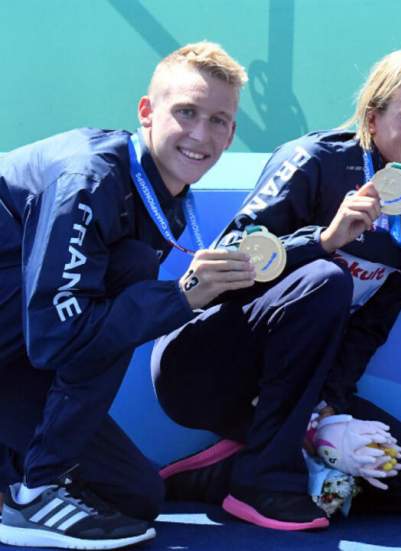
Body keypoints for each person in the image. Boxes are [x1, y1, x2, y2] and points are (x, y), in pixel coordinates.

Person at [150, 47, 401, 531]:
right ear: (373, 120)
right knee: (326, 280)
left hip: (300, 392)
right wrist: (323, 241)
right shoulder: (316, 161)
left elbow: (370, 329)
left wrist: (329, 409)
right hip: (203, 370)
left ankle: (225, 472)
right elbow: (226, 264)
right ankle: (263, 481)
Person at [0, 42, 248, 549]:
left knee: (134, 496)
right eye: (186, 112)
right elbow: (57, 339)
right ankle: (35, 493)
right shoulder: (89, 180)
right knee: (131, 271)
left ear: (232, 132)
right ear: (147, 113)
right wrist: (179, 298)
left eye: (218, 120)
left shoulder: (164, 191)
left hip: (15, 352)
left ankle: (16, 482)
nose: (201, 134)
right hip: (28, 336)